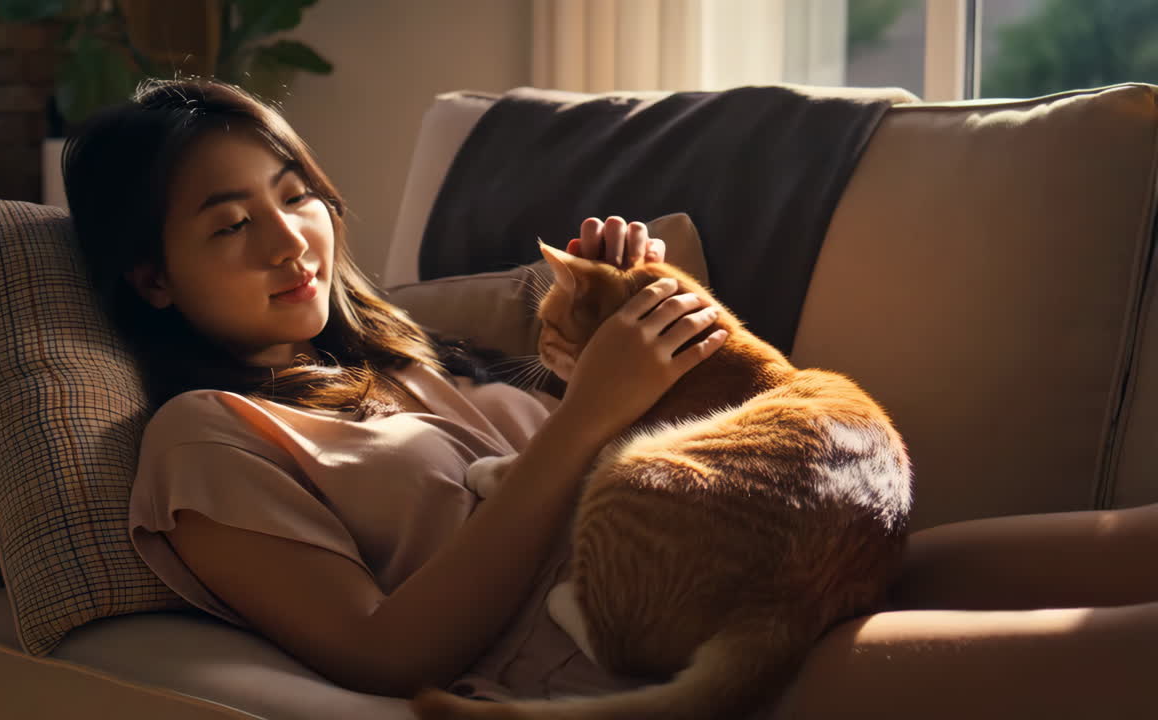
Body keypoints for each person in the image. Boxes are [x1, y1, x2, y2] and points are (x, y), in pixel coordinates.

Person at [63, 77, 1158, 717]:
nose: (289, 239)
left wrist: (644, 313)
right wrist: (591, 410)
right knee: (1118, 653)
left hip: (749, 561)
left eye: (294, 193)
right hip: (623, 649)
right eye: (230, 223)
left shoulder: (413, 362)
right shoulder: (204, 438)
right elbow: (383, 651)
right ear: (152, 279)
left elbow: (682, 463)